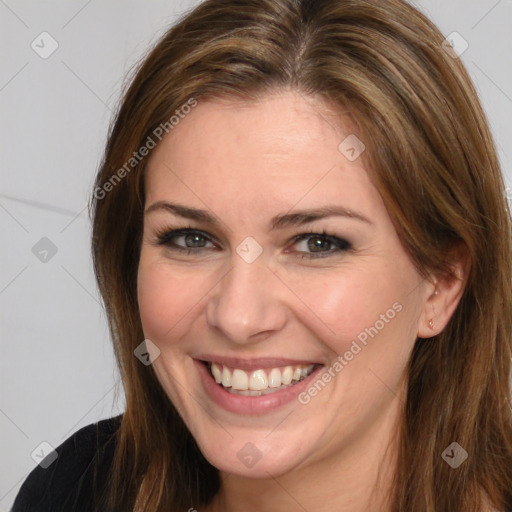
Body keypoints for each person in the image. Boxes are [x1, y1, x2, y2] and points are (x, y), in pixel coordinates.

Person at [12, 0, 512, 511]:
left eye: (318, 243)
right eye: (191, 238)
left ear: (442, 284)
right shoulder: (75, 490)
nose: (238, 316)